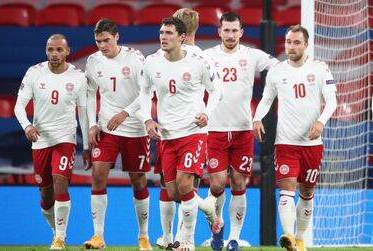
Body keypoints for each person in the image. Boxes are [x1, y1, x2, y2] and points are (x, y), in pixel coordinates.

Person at [252, 24, 337, 251]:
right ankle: (288, 236)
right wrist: (257, 118)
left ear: (306, 45)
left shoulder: (319, 69)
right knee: (286, 189)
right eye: (288, 42)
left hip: (311, 144)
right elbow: (266, 99)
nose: (291, 46)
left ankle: (299, 239)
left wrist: (321, 122)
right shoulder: (277, 71)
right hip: (285, 142)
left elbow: (332, 101)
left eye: (297, 42)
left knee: (307, 193)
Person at [140, 17, 221, 251]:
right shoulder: (152, 63)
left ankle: (187, 241)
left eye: (169, 33)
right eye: (161, 32)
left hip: (193, 132)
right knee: (173, 190)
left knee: (185, 184)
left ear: (182, 37)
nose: (163, 37)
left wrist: (207, 112)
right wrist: (147, 119)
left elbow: (216, 91)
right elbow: (144, 92)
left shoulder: (197, 63)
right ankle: (206, 207)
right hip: (166, 135)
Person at [203, 12, 279, 251]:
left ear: (241, 32)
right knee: (216, 186)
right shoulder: (206, 57)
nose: (230, 35)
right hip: (214, 129)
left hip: (242, 131)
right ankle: (218, 230)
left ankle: (233, 239)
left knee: (238, 183)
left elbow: (278, 68)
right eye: (226, 30)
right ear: (219, 32)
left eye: (235, 30)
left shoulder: (252, 55)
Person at [14, 34, 91, 250]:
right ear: (46, 50)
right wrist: (27, 126)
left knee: (60, 182)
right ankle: (55, 231)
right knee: (46, 197)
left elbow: (84, 113)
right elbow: (19, 106)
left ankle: (61, 239)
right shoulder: (34, 72)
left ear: (68, 51)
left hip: (64, 138)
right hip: (40, 140)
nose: (54, 54)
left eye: (59, 50)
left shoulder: (78, 77)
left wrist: (86, 146)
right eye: (50, 49)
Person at [83, 19, 152, 250]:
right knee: (99, 174)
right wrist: (92, 123)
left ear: (117, 37)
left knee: (137, 180)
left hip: (135, 127)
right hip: (106, 127)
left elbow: (146, 92)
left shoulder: (134, 58)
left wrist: (125, 113)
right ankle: (98, 236)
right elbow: (91, 94)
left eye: (106, 40)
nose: (102, 45)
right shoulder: (93, 61)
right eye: (98, 41)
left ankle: (143, 237)